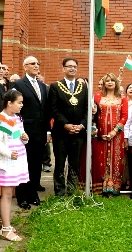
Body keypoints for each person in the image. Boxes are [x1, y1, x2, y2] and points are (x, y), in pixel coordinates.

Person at [11, 56, 50, 209]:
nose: (36, 65)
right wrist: (17, 130)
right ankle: (22, 197)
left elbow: (45, 110)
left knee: (36, 164)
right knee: (24, 165)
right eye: (32, 63)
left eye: (37, 63)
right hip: (24, 132)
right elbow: (14, 109)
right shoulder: (18, 84)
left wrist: (48, 131)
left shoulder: (41, 86)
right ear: (25, 67)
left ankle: (33, 193)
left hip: (40, 132)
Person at [0, 90, 29, 242]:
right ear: (9, 103)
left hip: (18, 158)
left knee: (11, 191)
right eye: (19, 102)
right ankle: (6, 229)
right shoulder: (0, 119)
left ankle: (4, 220)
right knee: (6, 194)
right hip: (7, 160)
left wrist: (25, 138)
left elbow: (20, 135)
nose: (21, 105)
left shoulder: (17, 117)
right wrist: (8, 154)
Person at [49, 58, 88, 196]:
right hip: (61, 132)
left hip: (78, 133)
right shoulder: (55, 86)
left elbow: (87, 109)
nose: (72, 69)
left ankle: (72, 190)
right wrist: (65, 124)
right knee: (60, 164)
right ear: (63, 68)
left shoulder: (83, 86)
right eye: (69, 66)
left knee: (74, 164)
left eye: (75, 66)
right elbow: (53, 109)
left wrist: (82, 125)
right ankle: (59, 191)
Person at [91, 72, 129, 195]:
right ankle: (100, 187)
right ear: (104, 83)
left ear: (116, 83)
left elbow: (124, 116)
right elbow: (94, 114)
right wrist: (96, 129)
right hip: (100, 134)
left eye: (112, 80)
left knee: (115, 159)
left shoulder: (122, 98)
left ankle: (113, 188)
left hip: (117, 135)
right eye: (107, 80)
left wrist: (114, 131)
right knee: (100, 158)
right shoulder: (97, 96)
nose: (110, 82)